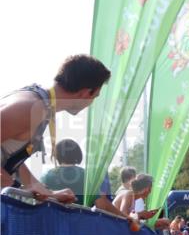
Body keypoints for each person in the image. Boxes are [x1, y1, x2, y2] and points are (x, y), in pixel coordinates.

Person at [1, 54, 111, 200]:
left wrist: (46, 192)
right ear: (86, 92)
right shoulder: (30, 107)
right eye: (95, 96)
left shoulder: (39, 105)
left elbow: (11, 158)